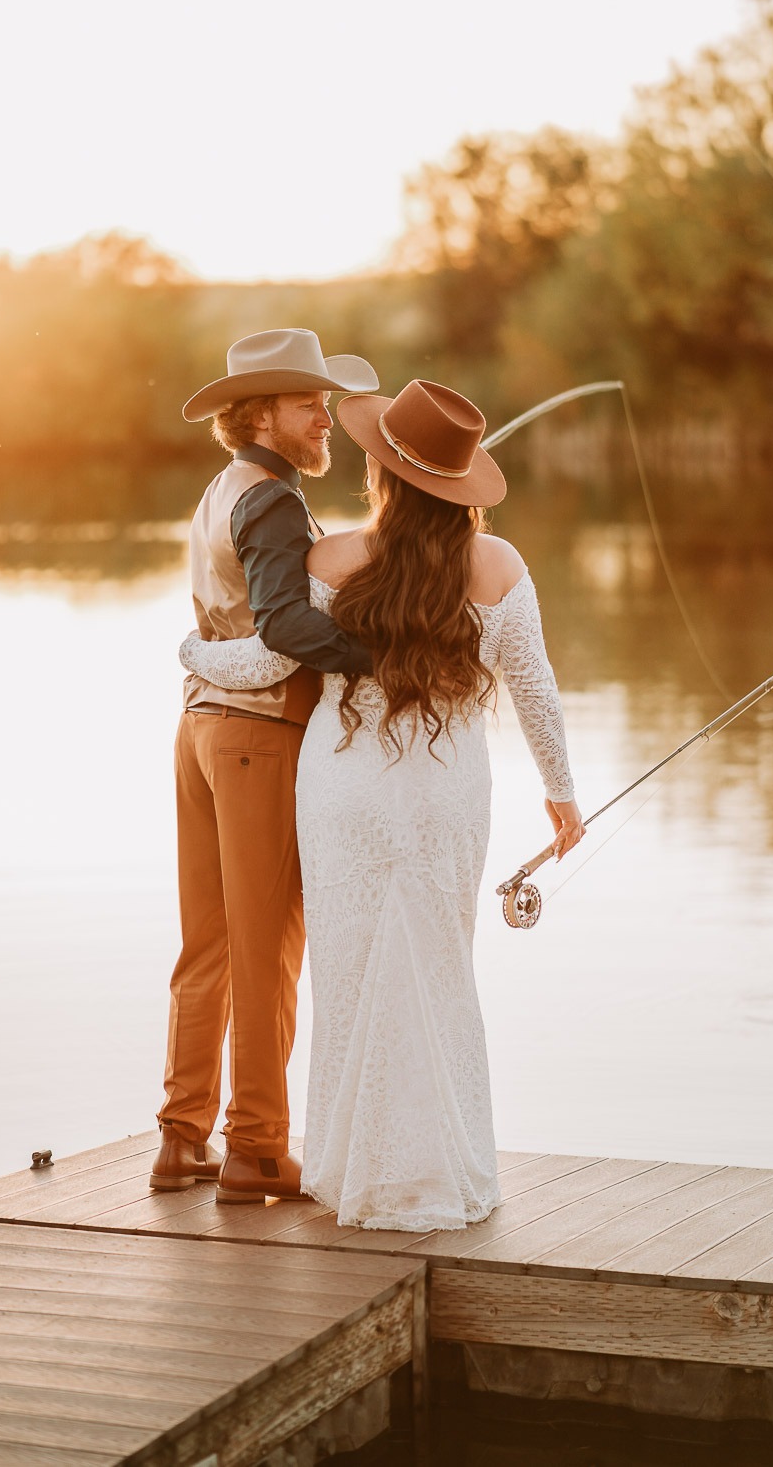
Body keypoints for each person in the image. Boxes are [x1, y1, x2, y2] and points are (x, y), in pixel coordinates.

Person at [182, 377, 584, 1230]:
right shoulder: (501, 566)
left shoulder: (333, 561)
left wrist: (190, 648)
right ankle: (448, 1169)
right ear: (458, 481)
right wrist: (562, 793)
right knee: (440, 965)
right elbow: (537, 693)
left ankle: (350, 1169)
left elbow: (265, 662)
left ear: (383, 477)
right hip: (446, 795)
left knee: (352, 971)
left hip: (344, 792)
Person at [152, 328, 378, 1204]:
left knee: (205, 945)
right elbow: (285, 627)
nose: (325, 417)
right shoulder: (277, 501)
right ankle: (254, 1149)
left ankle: (180, 1141)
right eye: (307, 403)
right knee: (268, 947)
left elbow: (250, 616)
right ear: (260, 414)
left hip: (201, 735)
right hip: (256, 742)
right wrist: (379, 656)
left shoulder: (223, 488)